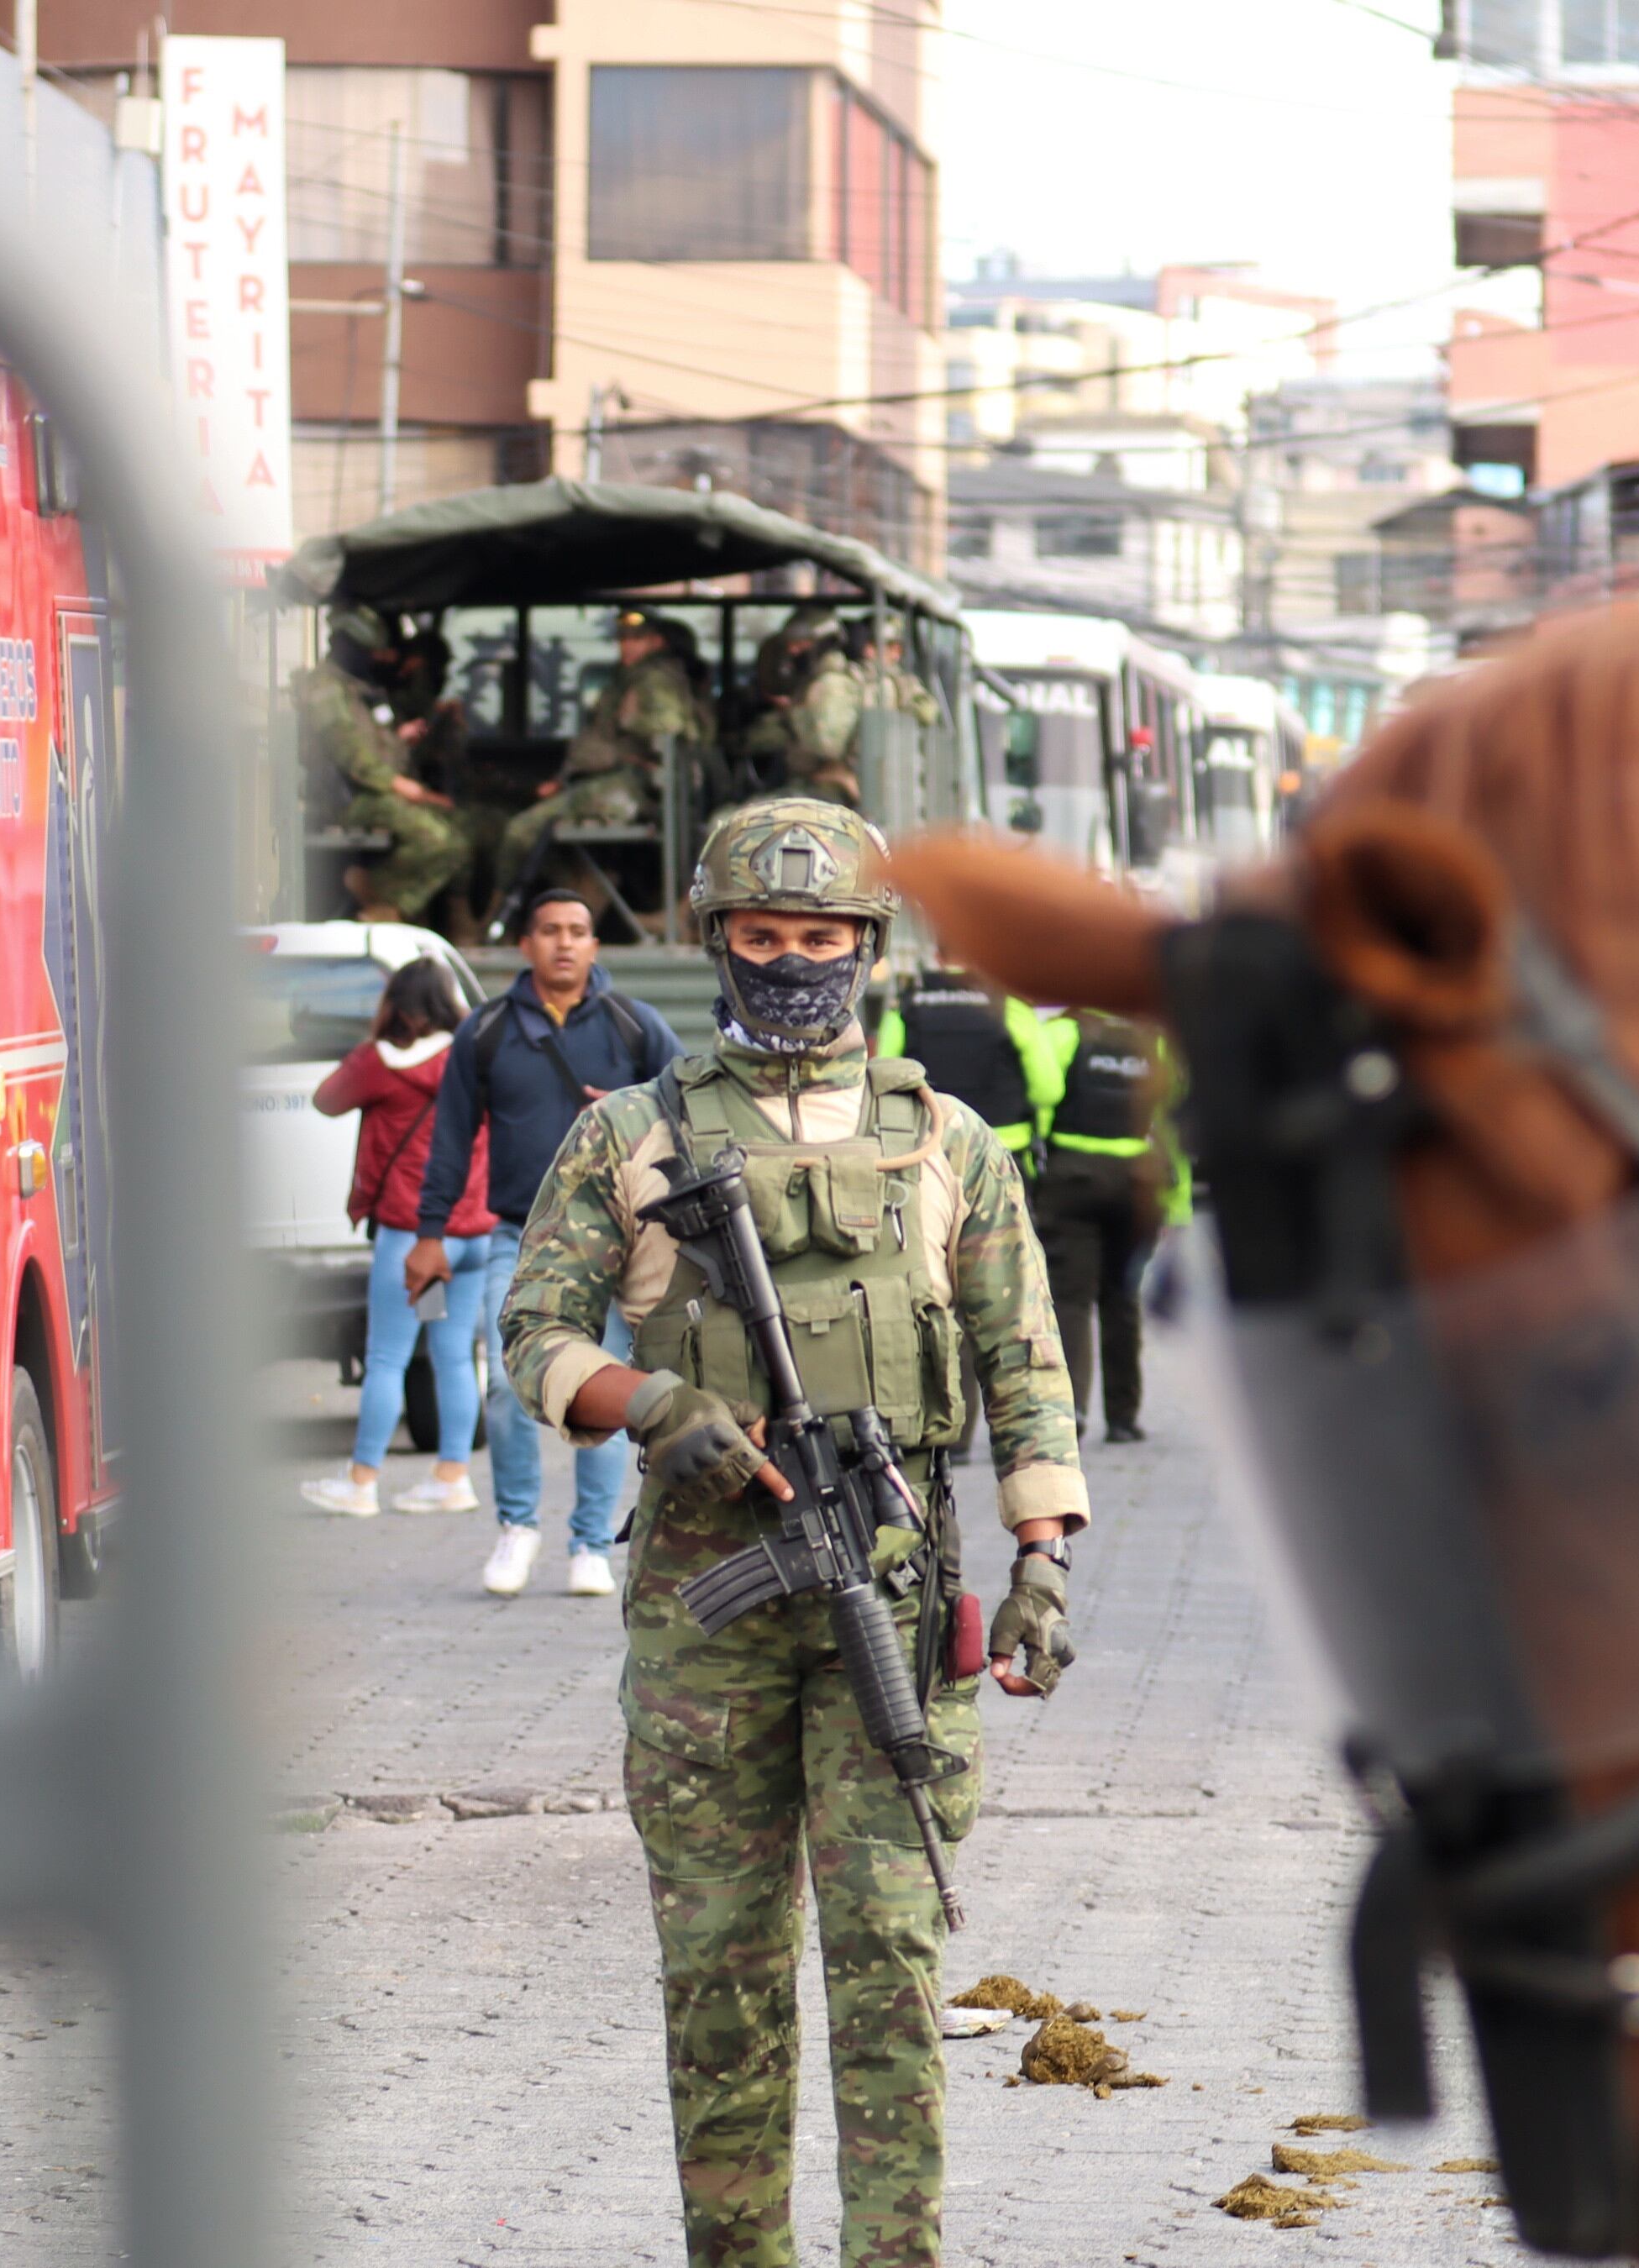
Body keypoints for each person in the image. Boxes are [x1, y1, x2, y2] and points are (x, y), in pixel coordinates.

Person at [501, 798, 1085, 2268]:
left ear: (865, 949)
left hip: (891, 1599)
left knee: (891, 1959)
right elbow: (533, 1337)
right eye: (761, 940)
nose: (792, 964)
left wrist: (1043, 1561)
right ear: (718, 945)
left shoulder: (945, 1139)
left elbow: (1026, 1363)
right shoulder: (631, 1138)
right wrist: (650, 1404)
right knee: (724, 1978)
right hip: (709, 1614)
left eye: (820, 938)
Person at [409, 883, 680, 1596]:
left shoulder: (633, 1024)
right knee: (506, 1385)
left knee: (607, 1389)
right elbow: (449, 1139)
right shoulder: (487, 1031)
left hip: (621, 1246)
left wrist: (639, 1107)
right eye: (551, 930)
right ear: (526, 945)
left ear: (595, 945)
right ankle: (516, 1528)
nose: (565, 942)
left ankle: (591, 1543)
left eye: (579, 930)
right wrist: (428, 1233)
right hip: (519, 1238)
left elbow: (693, 1108)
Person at [299, 958, 504, 1520]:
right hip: (471, 1237)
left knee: (387, 1356)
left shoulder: (378, 1064)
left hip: (413, 1241)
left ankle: (362, 1482)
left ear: (396, 1006)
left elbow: (327, 1099)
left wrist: (368, 1042)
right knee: (453, 1354)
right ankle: (451, 1478)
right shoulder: (475, 1054)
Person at [871, 962, 1049, 1464]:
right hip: (1003, 1151)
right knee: (996, 1300)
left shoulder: (911, 1005)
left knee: (928, 1294)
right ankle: (976, 1433)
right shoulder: (1006, 1006)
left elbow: (884, 1071)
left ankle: (933, 1425)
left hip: (920, 1160)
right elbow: (1047, 1087)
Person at [1016, 1002, 1184, 1445]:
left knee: (1071, 1299)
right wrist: (1177, 1200)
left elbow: (1044, 1096)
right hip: (1137, 1178)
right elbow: (1172, 1121)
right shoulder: (1154, 1042)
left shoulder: (1064, 1033)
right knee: (1122, 1298)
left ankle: (1070, 1410)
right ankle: (1124, 1418)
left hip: (1074, 1174)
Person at [494, 606, 709, 922]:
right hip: (606, 783)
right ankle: (575, 908)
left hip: (632, 788)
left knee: (520, 833)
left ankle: (496, 919)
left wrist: (623, 744)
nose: (627, 646)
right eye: (622, 638)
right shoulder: (628, 679)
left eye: (637, 639)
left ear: (656, 642)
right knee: (548, 842)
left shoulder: (653, 681)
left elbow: (669, 739)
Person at [300, 603, 467, 926]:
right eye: (370, 651)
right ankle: (384, 905)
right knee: (439, 842)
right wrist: (402, 786)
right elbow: (349, 754)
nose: (379, 659)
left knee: (459, 838)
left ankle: (380, 898)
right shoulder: (326, 690)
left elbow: (372, 745)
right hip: (349, 800)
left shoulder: (356, 689)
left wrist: (401, 742)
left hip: (375, 792)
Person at [734, 605, 864, 808]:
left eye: (801, 644)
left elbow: (827, 746)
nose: (793, 652)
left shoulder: (830, 685)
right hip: (813, 786)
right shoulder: (815, 682)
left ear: (822, 644)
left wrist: (793, 714)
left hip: (831, 789)